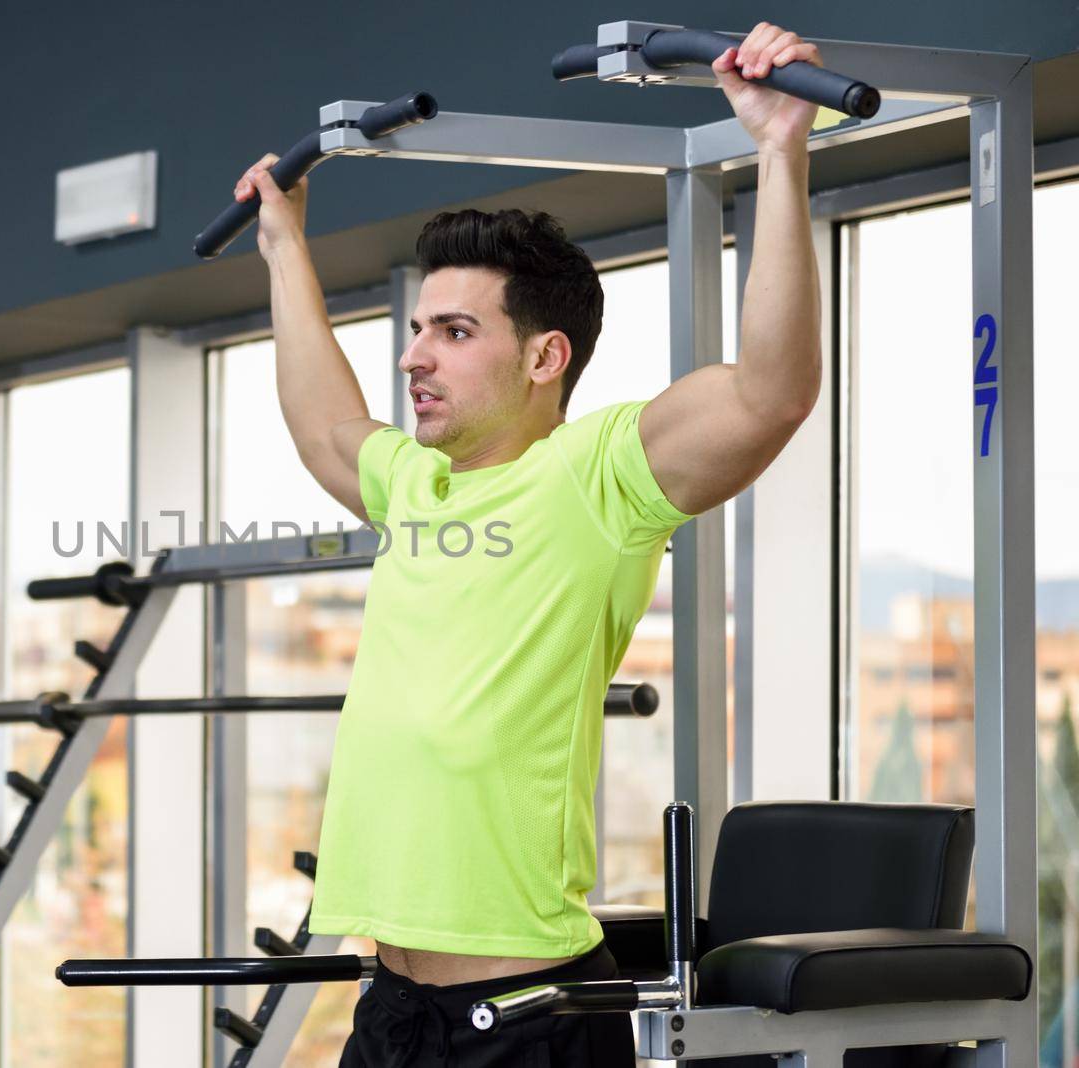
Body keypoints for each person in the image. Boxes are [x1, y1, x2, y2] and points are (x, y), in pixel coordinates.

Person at [231, 22, 825, 1067]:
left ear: (546, 356)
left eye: (453, 332)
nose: (414, 356)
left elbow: (769, 396)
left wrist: (778, 152)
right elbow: (325, 422)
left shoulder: (597, 477)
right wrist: (285, 247)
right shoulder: (413, 483)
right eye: (417, 329)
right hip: (393, 1006)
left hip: (522, 1013)